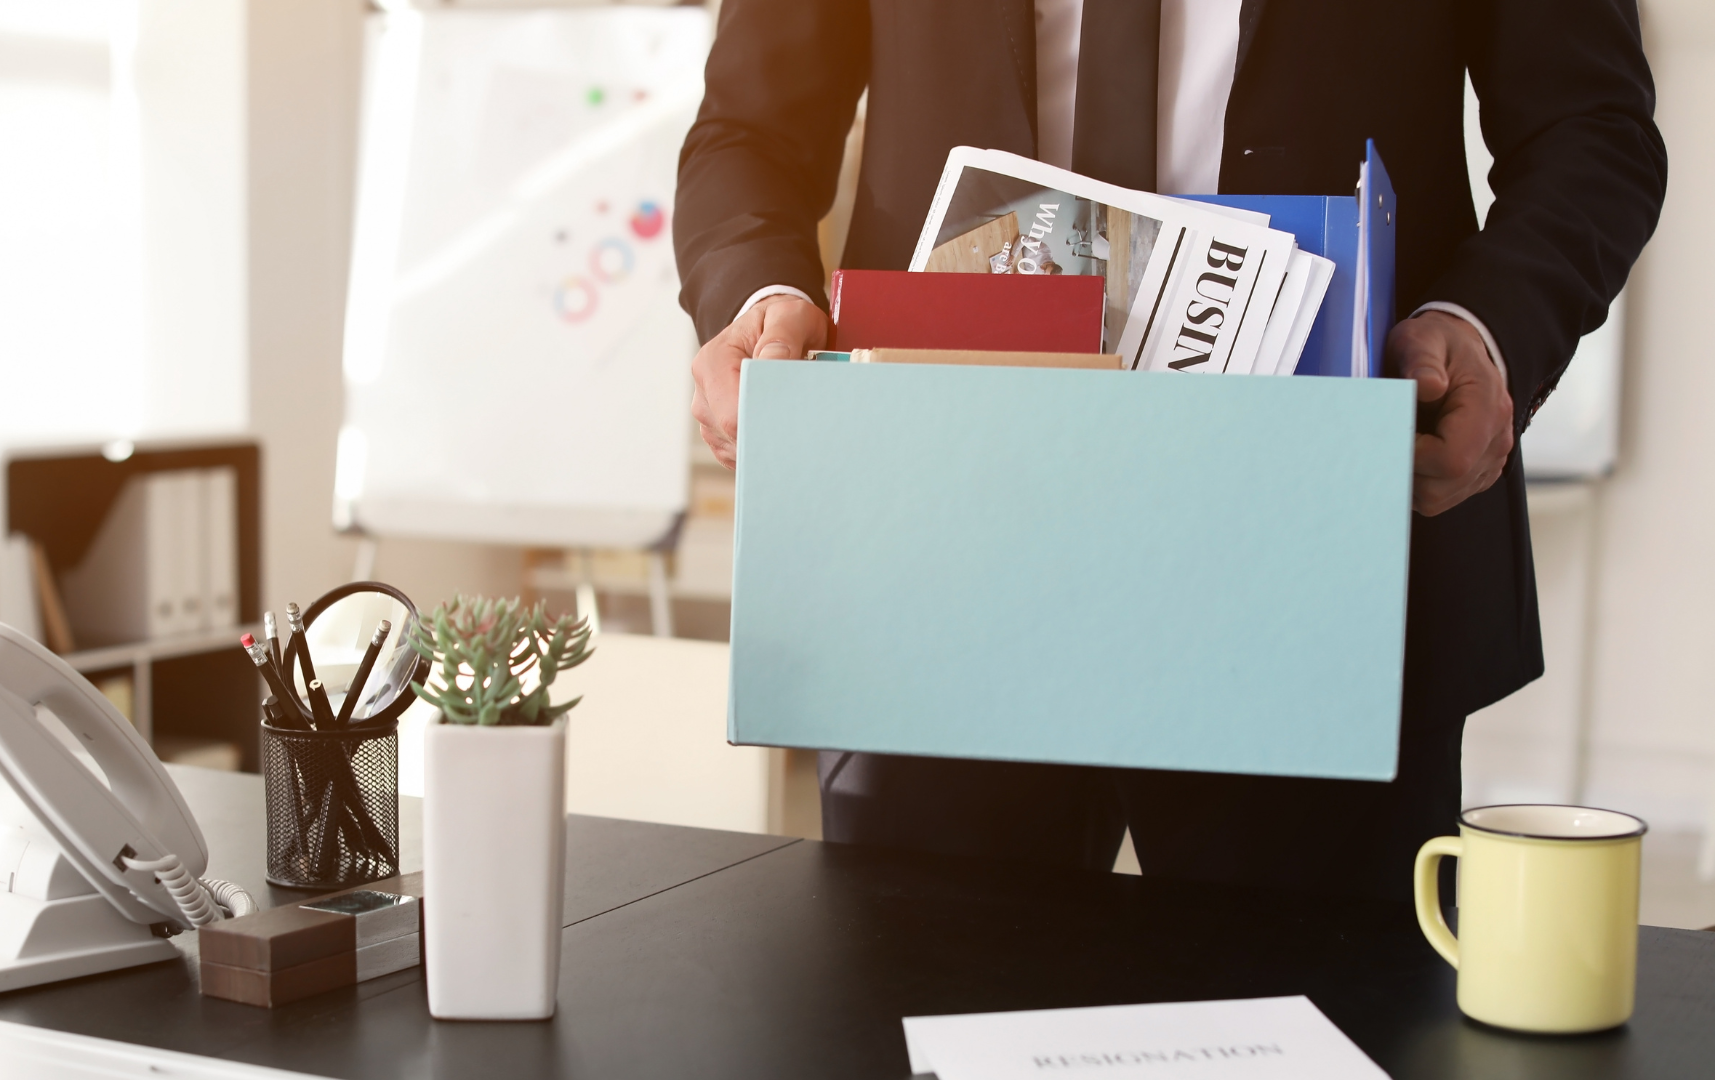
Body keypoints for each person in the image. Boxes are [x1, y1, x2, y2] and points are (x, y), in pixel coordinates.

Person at [672, 0, 1667, 901]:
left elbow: (1590, 129)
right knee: (911, 1009)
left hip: (1323, 542)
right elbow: (749, 132)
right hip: (943, 536)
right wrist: (762, 295)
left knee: (1326, 1028)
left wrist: (1485, 324)